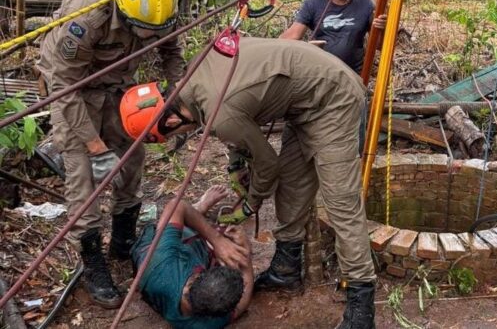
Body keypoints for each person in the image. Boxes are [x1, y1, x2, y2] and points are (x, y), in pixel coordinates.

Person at [120, 38, 377, 329]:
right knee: (292, 186)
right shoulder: (193, 80)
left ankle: (361, 302)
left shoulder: (219, 111)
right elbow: (238, 119)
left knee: (341, 202)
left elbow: (267, 164)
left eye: (172, 135)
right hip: (301, 105)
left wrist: (249, 204)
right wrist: (236, 163)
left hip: (333, 96)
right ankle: (286, 267)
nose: (184, 135)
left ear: (169, 121)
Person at [37, 0, 185, 308]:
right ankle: (92, 261)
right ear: (122, 9)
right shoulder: (85, 19)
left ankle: (122, 240)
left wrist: (178, 95)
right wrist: (95, 145)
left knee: (132, 158)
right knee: (84, 176)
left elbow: (172, 50)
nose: (149, 37)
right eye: (142, 31)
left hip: (119, 84)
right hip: (73, 87)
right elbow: (64, 86)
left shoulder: (161, 9)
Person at [130, 185, 253, 328]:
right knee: (231, 247)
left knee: (215, 240)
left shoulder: (165, 263)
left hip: (151, 251)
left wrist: (217, 240)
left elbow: (176, 205)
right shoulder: (209, 323)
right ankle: (196, 213)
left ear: (195, 279)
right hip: (170, 264)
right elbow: (243, 303)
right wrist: (246, 253)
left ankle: (198, 209)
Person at [280, 0, 386, 73]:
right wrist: (307, 48)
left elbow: (379, 46)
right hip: (322, 74)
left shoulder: (366, 4)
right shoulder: (313, 3)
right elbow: (290, 37)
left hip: (354, 75)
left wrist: (382, 29)